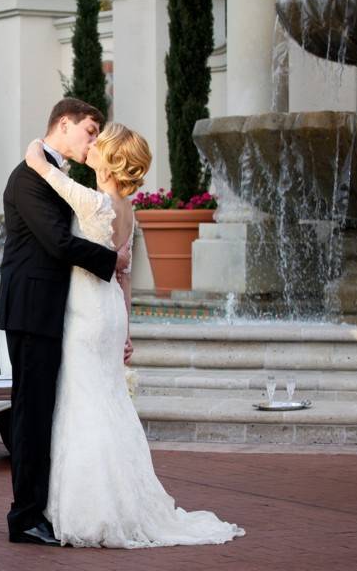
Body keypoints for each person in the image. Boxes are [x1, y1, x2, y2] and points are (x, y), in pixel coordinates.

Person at [24, 122, 245, 548]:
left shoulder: (93, 203)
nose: (91, 147)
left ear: (109, 161)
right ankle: (123, 502)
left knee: (82, 404)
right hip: (107, 314)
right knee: (108, 402)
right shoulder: (128, 211)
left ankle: (93, 510)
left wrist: (41, 145)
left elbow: (40, 164)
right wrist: (127, 330)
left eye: (98, 144)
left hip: (85, 316)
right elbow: (124, 278)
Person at [0, 98, 129, 546]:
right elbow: (56, 242)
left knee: (45, 412)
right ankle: (25, 517)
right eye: (90, 131)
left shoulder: (52, 172)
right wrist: (113, 260)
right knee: (30, 414)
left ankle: (44, 506)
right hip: (32, 310)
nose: (93, 140)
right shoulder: (28, 176)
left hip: (55, 309)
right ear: (64, 123)